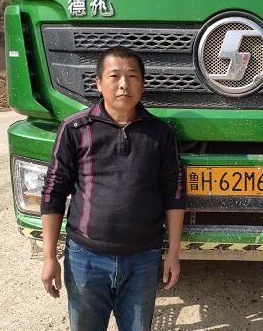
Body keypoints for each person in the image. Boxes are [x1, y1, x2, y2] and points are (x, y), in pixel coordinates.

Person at [40, 46, 185, 331]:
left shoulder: (161, 134)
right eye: (114, 75)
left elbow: (174, 194)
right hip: (85, 259)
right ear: (98, 83)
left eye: (132, 76)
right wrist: (49, 257)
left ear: (143, 84)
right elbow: (53, 191)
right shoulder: (75, 129)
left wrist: (173, 253)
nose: (124, 84)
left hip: (143, 259)